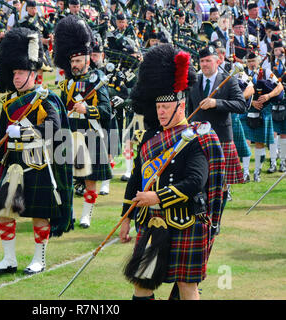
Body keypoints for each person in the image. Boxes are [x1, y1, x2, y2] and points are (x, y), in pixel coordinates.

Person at [119, 44, 225, 300]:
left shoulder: (196, 136)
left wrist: (157, 197)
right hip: (150, 222)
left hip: (185, 222)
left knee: (187, 287)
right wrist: (125, 217)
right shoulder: (149, 138)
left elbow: (195, 182)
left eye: (166, 108)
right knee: (141, 285)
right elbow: (137, 178)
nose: (161, 112)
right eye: (158, 108)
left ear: (180, 106)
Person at [0, 27, 73, 276]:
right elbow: (0, 137)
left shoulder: (46, 99)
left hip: (38, 163)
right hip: (13, 164)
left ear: (34, 74)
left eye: (21, 72)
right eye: (14, 72)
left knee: (39, 216)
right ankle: (8, 259)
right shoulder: (9, 102)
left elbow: (53, 128)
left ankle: (39, 259)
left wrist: (24, 131)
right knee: (3, 212)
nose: (16, 77)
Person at [54, 15, 112, 228]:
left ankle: (86, 215)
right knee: (65, 178)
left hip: (90, 134)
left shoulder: (98, 82)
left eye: (78, 61)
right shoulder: (66, 84)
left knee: (90, 179)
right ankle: (68, 213)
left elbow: (107, 112)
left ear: (88, 60)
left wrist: (88, 109)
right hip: (69, 135)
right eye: (72, 62)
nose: (75, 65)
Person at [189, 45, 246, 208]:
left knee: (220, 183)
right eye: (202, 61)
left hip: (220, 137)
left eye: (208, 60)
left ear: (217, 61)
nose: (205, 64)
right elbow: (190, 109)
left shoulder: (228, 80)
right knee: (199, 178)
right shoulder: (195, 81)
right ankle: (203, 215)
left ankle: (217, 217)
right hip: (198, 138)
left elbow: (241, 105)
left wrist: (216, 102)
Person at [240, 48, 284, 181]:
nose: (251, 64)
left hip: (264, 111)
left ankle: (256, 173)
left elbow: (280, 87)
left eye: (253, 61)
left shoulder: (266, 72)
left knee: (259, 143)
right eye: (249, 61)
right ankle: (246, 172)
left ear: (258, 61)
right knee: (246, 142)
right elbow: (238, 93)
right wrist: (251, 102)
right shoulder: (242, 75)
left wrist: (268, 96)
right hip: (247, 110)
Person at [269, 40, 286, 172]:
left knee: (284, 133)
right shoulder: (268, 65)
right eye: (276, 51)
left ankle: (283, 162)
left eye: (280, 50)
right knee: (273, 132)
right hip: (273, 99)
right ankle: (273, 161)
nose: (278, 53)